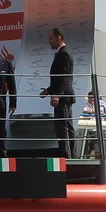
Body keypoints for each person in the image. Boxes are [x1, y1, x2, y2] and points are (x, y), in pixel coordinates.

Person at [39, 28, 75, 158]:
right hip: (63, 95)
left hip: (63, 96)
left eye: (51, 39)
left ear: (59, 37)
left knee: (63, 126)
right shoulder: (61, 53)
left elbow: (65, 77)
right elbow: (60, 78)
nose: (49, 42)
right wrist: (49, 90)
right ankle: (70, 154)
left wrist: (57, 94)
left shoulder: (64, 53)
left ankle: (67, 156)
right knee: (66, 125)